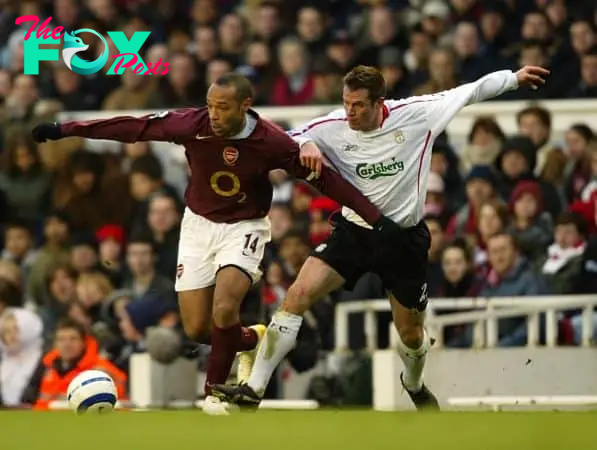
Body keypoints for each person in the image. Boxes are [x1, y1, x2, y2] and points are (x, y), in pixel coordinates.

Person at [31, 73, 401, 415]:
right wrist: (66, 129)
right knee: (196, 329)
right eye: (210, 105)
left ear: (245, 105)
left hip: (245, 227)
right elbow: (135, 128)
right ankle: (251, 339)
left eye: (222, 107)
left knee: (225, 306)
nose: (214, 114)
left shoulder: (271, 141)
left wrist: (376, 218)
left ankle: (214, 393)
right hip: (197, 227)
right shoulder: (193, 125)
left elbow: (326, 182)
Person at [213, 64, 549, 410]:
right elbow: (289, 136)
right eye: (346, 103)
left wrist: (513, 78)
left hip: (403, 239)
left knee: (411, 335)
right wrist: (308, 142)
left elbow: (472, 90)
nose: (350, 112)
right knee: (297, 294)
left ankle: (414, 383)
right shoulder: (333, 125)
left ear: (379, 103)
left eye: (358, 105)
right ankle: (254, 390)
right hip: (354, 232)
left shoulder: (418, 115)